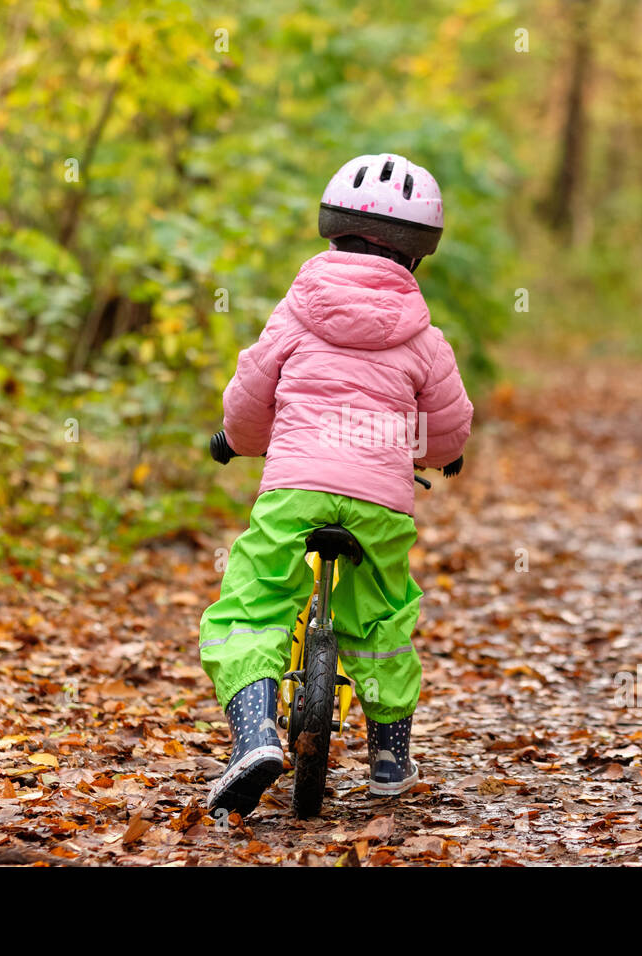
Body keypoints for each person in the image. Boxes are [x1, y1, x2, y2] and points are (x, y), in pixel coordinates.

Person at [200, 153, 473, 815]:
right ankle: (388, 756)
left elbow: (249, 399)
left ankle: (256, 734)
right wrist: (442, 456)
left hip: (295, 487)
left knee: (253, 603)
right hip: (379, 499)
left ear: (331, 232)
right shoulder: (425, 339)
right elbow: (447, 427)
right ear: (417, 256)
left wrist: (235, 443)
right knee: (380, 616)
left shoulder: (293, 315)